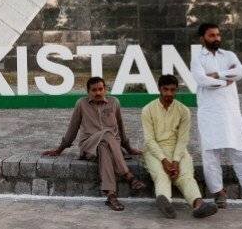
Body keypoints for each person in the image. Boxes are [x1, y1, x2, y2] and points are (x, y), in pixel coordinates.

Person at [190, 22, 242, 210]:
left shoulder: (229, 55)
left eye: (218, 35)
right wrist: (225, 82)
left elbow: (240, 72)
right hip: (210, 114)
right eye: (212, 35)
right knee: (211, 156)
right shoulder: (198, 59)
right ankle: (219, 194)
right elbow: (202, 80)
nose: (217, 38)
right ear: (202, 38)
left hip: (231, 113)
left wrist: (218, 74)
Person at [43, 77, 146, 211]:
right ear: (88, 91)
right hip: (89, 145)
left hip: (109, 146)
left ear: (105, 89)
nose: (97, 93)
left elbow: (121, 128)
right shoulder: (81, 104)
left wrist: (128, 148)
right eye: (94, 90)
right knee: (107, 133)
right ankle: (128, 176)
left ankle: (111, 196)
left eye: (100, 89)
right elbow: (72, 128)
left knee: (104, 145)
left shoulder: (114, 102)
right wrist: (59, 149)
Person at [141, 74, 217, 219]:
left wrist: (175, 161)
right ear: (159, 89)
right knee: (162, 175)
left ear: (176, 90)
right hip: (154, 151)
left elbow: (183, 139)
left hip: (178, 150)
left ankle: (198, 205)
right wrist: (164, 160)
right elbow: (149, 140)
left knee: (185, 176)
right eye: (165, 89)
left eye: (172, 90)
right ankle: (165, 202)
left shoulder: (183, 111)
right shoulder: (147, 110)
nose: (169, 93)